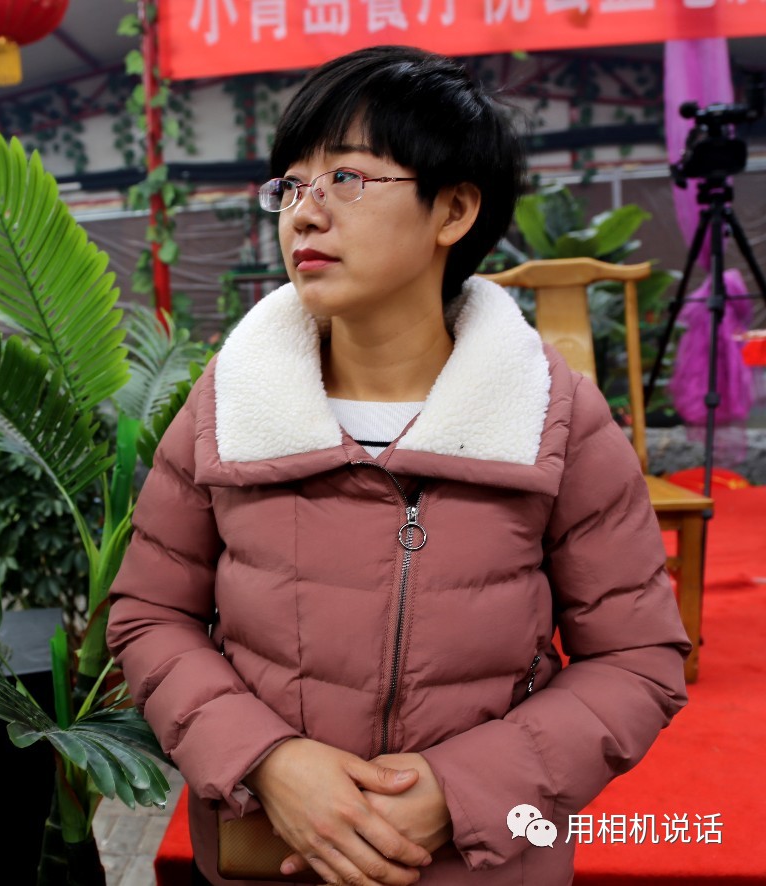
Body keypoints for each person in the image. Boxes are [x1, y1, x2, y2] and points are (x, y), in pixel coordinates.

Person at [106, 46, 689, 886]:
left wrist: (460, 789)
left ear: (452, 210)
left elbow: (638, 662)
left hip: (477, 862)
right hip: (276, 854)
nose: (303, 214)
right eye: (291, 186)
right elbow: (149, 616)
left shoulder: (554, 420)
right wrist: (269, 760)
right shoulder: (228, 408)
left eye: (345, 178)